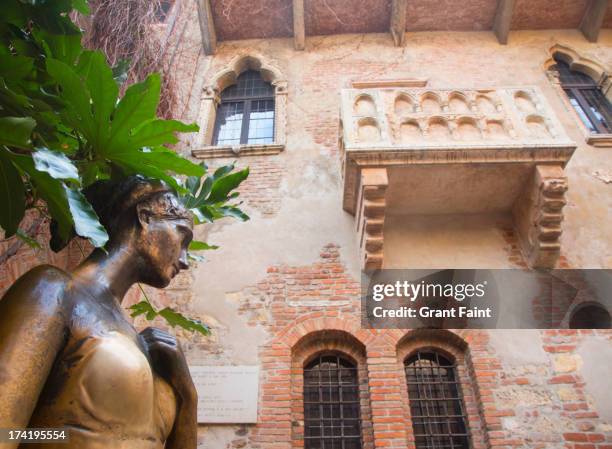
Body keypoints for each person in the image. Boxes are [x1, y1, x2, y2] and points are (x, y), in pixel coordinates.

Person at [0, 176, 197, 449]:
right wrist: (68, 437)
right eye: (182, 236)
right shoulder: (54, 291)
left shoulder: (142, 344)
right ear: (145, 217)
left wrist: (187, 396)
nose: (185, 261)